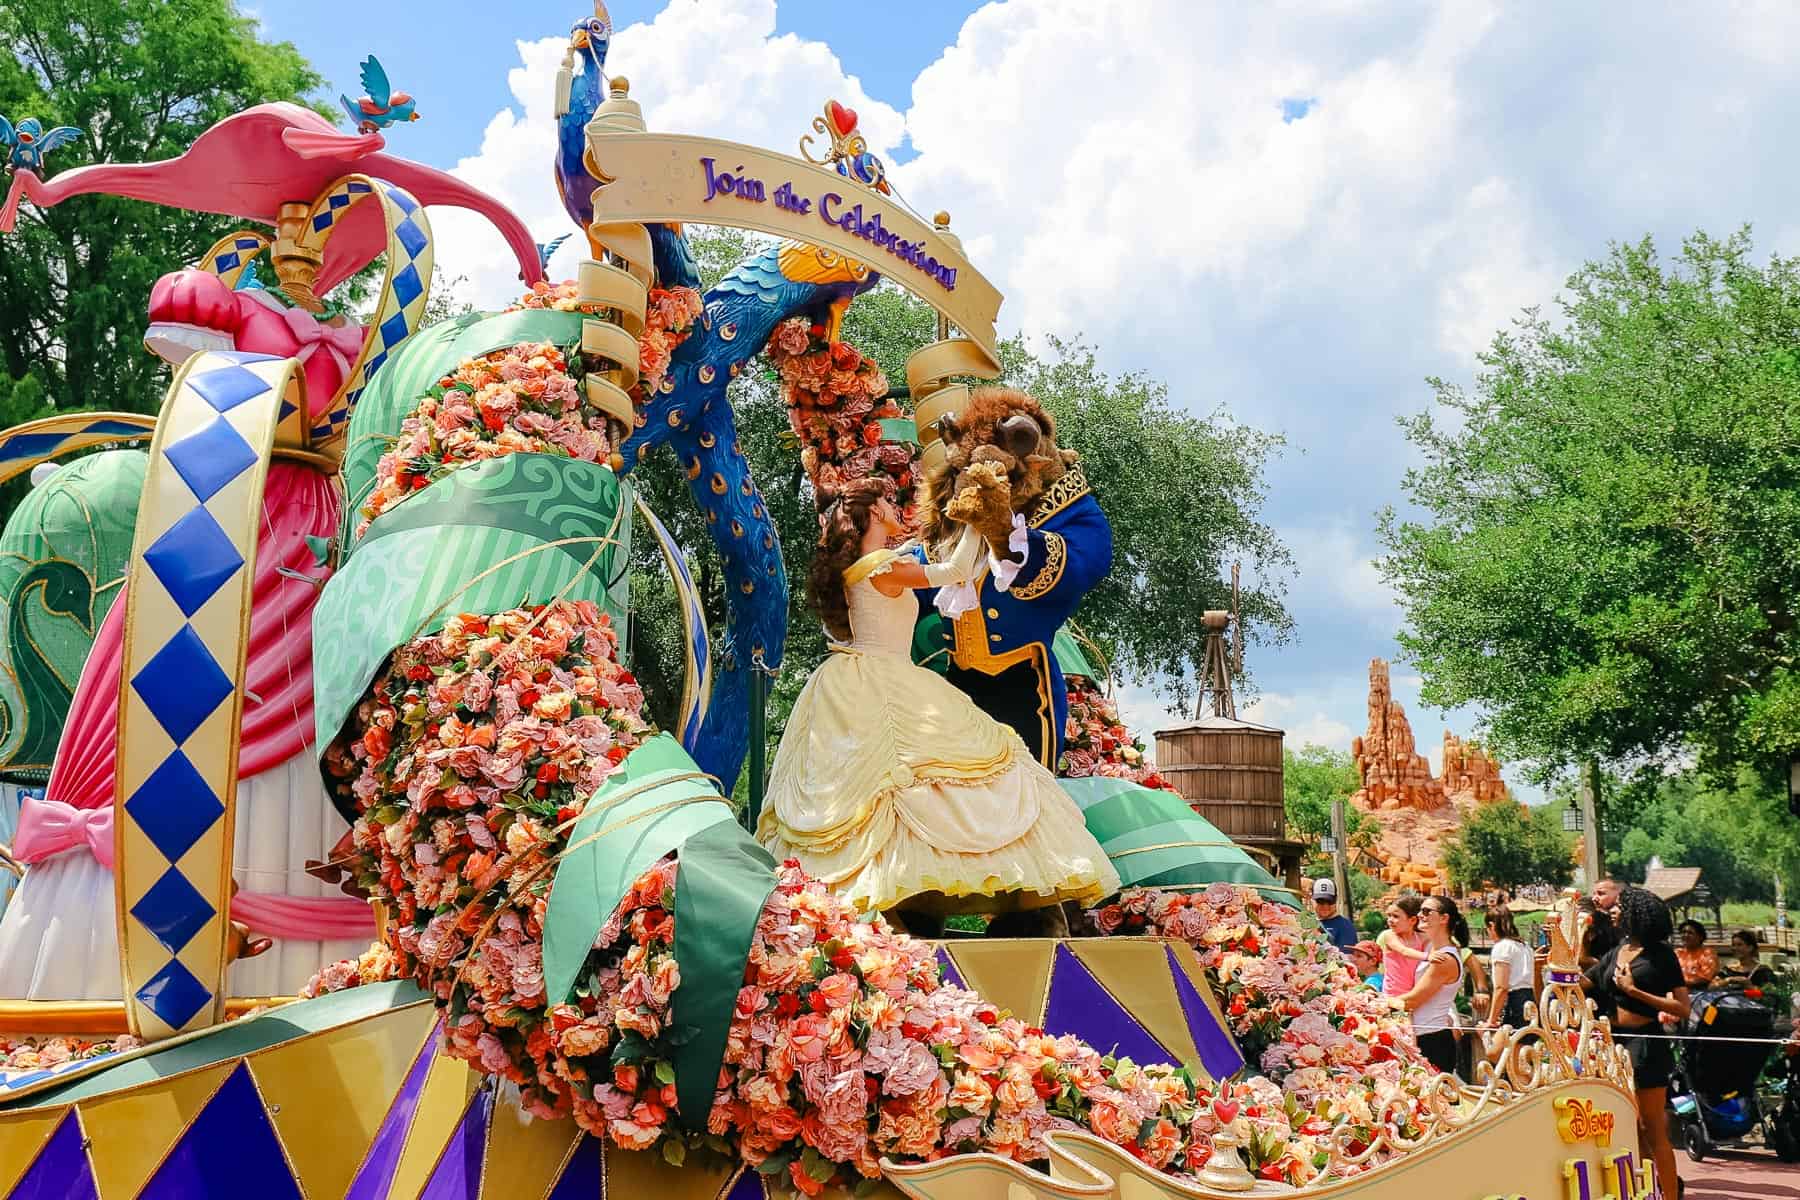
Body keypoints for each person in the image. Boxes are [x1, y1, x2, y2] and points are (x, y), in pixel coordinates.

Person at [757, 479, 1120, 932]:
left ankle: (901, 905)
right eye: (887, 502)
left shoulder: (865, 565)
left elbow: (913, 562)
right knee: (904, 785)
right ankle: (908, 897)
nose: (895, 505)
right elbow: (954, 571)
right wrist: (976, 520)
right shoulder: (883, 566)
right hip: (888, 681)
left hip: (858, 679)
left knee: (887, 791)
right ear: (871, 515)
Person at [1582, 887, 1689, 1200]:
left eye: (1619, 907)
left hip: (1645, 1045)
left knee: (1654, 1129)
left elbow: (1683, 1008)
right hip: (1613, 1047)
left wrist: (1635, 991)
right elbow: (1581, 983)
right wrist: (1552, 961)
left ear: (1636, 913)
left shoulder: (1661, 955)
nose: (1613, 911)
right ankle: (1644, 1191)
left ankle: (1669, 1194)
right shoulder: (1617, 951)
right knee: (1629, 1126)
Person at [1399, 895, 1467, 1074]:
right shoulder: (1430, 949)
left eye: (1427, 911)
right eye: (1420, 911)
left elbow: (1412, 1001)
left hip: (1433, 1039)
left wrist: (1375, 1002)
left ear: (1444, 918)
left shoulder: (1445, 959)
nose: (1421, 915)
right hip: (1421, 1035)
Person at [1484, 907, 1536, 1029]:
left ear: (1491, 926)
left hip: (1514, 1003)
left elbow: (1501, 987)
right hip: (1529, 999)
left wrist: (1491, 1019)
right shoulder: (1525, 946)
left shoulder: (1502, 947)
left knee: (1500, 1047)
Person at [1378, 896, 1430, 1000]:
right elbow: (1404, 951)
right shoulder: (1390, 935)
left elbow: (1438, 938)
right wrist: (1428, 956)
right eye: (1389, 916)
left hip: (1412, 994)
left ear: (1412, 920)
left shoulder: (1420, 938)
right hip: (1392, 995)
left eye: (1396, 916)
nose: (1390, 920)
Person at [1312, 878, 1358, 950]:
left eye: (1330, 901)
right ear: (1312, 900)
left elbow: (1346, 958)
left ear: (1336, 900)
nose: (1325, 906)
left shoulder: (1345, 926)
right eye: (1320, 901)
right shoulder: (1307, 924)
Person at [1674, 920, 1718, 988]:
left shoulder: (1707, 954)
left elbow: (1705, 979)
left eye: (1690, 933)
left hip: (1699, 992)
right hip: (1675, 990)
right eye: (1683, 932)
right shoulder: (1677, 953)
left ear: (1700, 937)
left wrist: (1678, 984)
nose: (1685, 935)